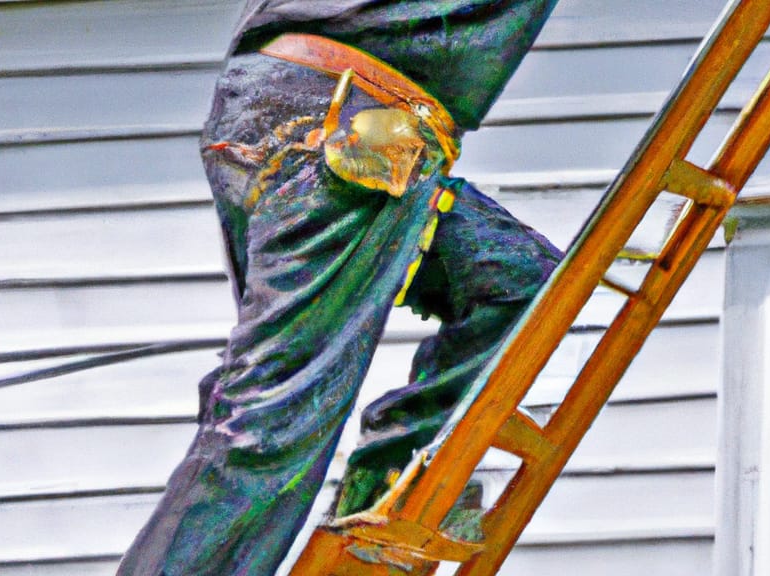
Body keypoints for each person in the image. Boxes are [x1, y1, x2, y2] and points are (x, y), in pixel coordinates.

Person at [117, 1, 562, 574]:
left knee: (517, 280)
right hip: (340, 123)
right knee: (270, 420)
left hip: (329, 113)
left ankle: (387, 478)